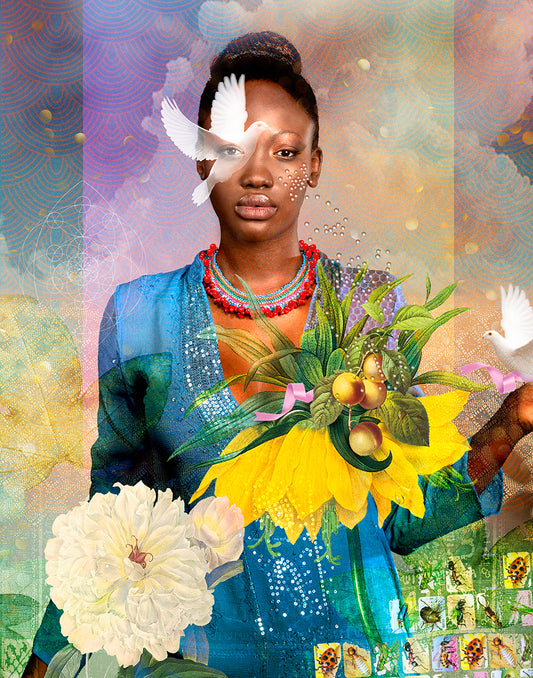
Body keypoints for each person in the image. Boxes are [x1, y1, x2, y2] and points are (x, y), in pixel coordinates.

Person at [24, 31, 533, 678]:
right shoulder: (139, 317)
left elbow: (402, 515)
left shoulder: (367, 310)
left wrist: (506, 425)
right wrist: (45, 655)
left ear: (314, 164)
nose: (257, 173)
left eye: (284, 151)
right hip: (197, 666)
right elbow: (109, 515)